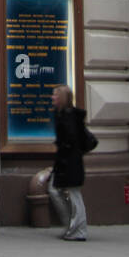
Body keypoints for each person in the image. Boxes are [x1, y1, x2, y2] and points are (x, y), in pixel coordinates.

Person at [48, 84, 88, 241]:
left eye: (55, 95)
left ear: (62, 99)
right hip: (66, 162)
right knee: (56, 190)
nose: (52, 98)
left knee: (74, 195)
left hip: (70, 163)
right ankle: (72, 226)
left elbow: (70, 140)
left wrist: (64, 153)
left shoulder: (69, 116)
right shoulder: (61, 115)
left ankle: (78, 230)